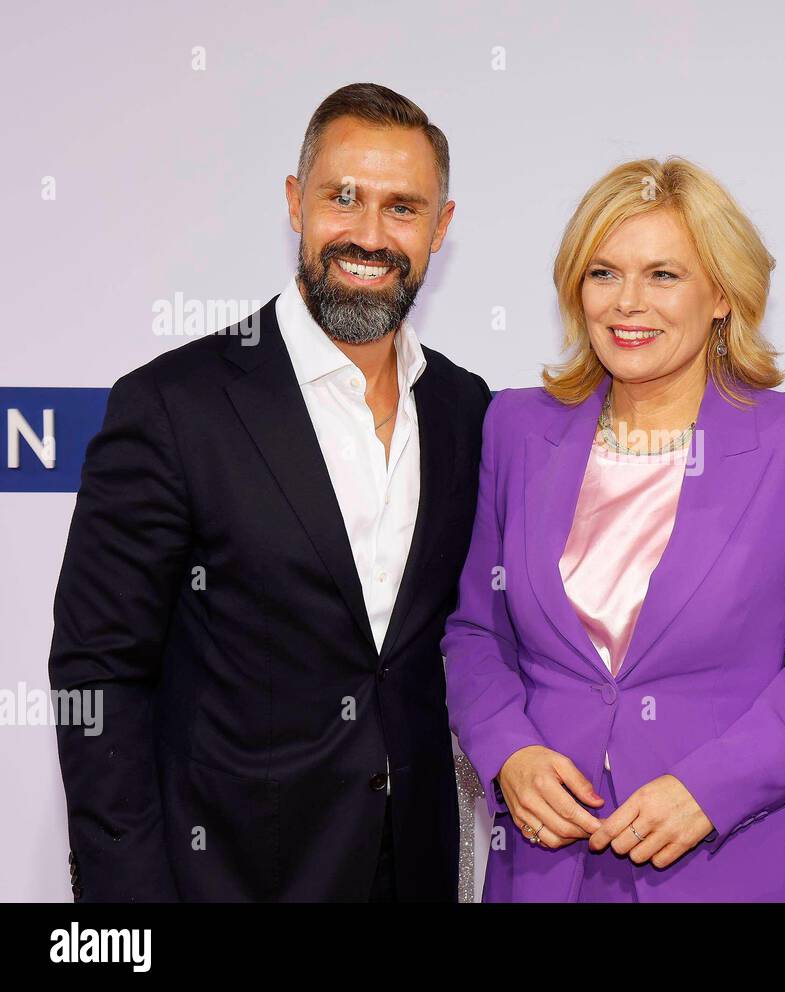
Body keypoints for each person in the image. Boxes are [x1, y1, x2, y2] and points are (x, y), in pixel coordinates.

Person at [48, 82, 488, 901]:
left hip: (416, 874)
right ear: (296, 202)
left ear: (441, 227)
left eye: (402, 208)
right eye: (342, 197)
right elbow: (98, 675)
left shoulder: (468, 410)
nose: (368, 234)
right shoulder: (174, 405)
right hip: (229, 878)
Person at [443, 157, 785, 902]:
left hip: (721, 859)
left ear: (723, 296)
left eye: (664, 275)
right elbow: (476, 632)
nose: (627, 303)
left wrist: (709, 790)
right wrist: (509, 754)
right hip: (543, 863)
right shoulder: (515, 426)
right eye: (604, 273)